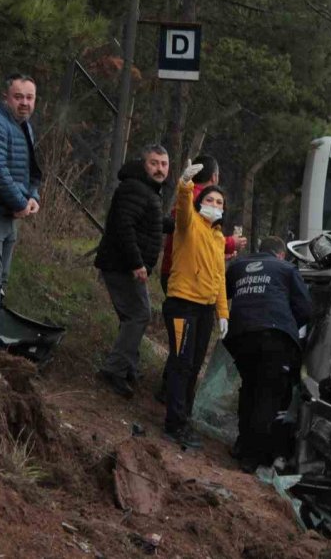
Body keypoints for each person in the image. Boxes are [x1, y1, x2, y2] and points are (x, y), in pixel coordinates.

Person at [224, 236, 311, 471]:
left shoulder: (238, 266)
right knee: (268, 394)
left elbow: (222, 294)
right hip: (274, 339)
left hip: (240, 336)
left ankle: (242, 445)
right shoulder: (286, 268)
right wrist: (288, 325)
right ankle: (253, 457)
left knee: (250, 387)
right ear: (281, 254)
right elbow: (305, 308)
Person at [161, 160, 229, 449]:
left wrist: (222, 312)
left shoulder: (218, 237)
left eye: (219, 201)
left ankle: (183, 417)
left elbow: (220, 277)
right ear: (201, 202)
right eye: (210, 199)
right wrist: (185, 184)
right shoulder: (188, 226)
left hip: (203, 310)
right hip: (182, 304)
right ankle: (174, 423)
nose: (214, 204)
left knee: (193, 366)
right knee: (181, 363)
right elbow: (185, 206)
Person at [94, 145, 170, 397]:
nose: (160, 169)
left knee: (133, 315)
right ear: (143, 163)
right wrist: (137, 263)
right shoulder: (134, 188)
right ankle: (114, 370)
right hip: (122, 265)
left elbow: (154, 221)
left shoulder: (146, 190)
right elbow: (123, 226)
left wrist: (185, 223)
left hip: (125, 265)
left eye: (164, 164)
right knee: (138, 315)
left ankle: (128, 367)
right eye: (154, 163)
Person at [0, 74, 41, 350]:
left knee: (1, 279)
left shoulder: (24, 126)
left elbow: (31, 170)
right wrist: (20, 202)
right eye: (18, 96)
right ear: (6, 98)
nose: (24, 102)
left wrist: (31, 196)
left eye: (29, 97)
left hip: (10, 215)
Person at [159, 154, 246, 293]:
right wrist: (230, 243)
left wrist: (218, 253)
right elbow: (200, 237)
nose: (214, 204)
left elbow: (200, 245)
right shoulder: (198, 200)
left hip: (173, 269)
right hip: (186, 276)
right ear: (214, 177)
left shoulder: (185, 195)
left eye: (218, 202)